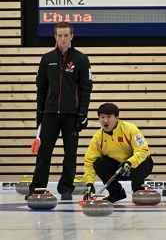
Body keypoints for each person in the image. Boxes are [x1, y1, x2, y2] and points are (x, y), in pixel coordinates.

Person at [25, 21, 92, 200]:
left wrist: (83, 113)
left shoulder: (81, 59)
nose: (63, 39)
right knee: (44, 152)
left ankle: (66, 189)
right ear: (55, 37)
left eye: (66, 35)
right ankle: (37, 187)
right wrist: (40, 112)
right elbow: (41, 87)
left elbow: (86, 88)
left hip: (72, 114)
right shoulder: (47, 59)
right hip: (50, 113)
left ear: (72, 36)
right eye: (59, 35)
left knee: (70, 153)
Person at [83, 102, 153, 203]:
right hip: (119, 170)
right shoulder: (98, 138)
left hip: (139, 166)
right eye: (102, 117)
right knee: (99, 163)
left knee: (139, 160)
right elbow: (89, 161)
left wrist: (129, 162)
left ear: (117, 118)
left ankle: (139, 190)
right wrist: (89, 183)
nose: (105, 120)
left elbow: (143, 150)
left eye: (109, 117)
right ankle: (117, 192)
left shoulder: (130, 129)